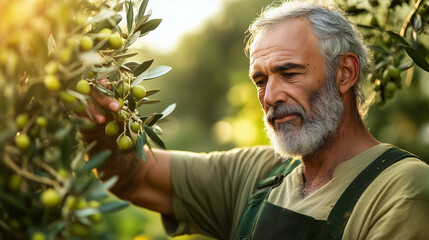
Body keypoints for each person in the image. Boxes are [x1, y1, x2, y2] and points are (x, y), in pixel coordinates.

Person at [81, 1, 429, 239]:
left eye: (289, 73)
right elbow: (132, 177)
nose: (269, 97)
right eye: (260, 80)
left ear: (345, 73)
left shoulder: (401, 189)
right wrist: (100, 117)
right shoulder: (258, 175)